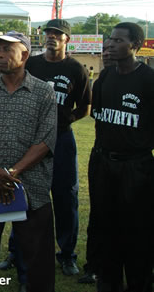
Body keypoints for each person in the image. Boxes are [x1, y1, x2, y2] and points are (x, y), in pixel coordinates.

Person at [0, 19, 91, 278]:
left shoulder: (76, 69)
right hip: (28, 140)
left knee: (64, 197)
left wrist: (63, 121)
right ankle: (16, 252)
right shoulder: (33, 64)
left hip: (61, 140)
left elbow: (85, 107)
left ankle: (67, 255)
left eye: (57, 34)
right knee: (22, 194)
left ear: (66, 40)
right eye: (48, 32)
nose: (51, 37)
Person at [0, 31, 57, 292]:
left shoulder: (43, 93)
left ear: (25, 55)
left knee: (37, 256)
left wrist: (12, 173)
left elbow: (46, 140)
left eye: (7, 49)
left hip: (32, 187)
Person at [89, 22, 153, 292]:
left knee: (137, 229)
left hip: (136, 166)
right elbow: (98, 116)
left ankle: (139, 282)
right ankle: (108, 280)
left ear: (135, 46)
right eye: (110, 40)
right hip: (103, 162)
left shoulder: (149, 80)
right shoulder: (105, 77)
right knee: (105, 224)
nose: (111, 45)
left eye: (118, 41)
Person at [78, 38, 115, 285]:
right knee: (99, 215)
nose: (108, 53)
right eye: (105, 49)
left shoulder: (144, 79)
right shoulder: (101, 82)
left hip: (133, 162)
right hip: (101, 157)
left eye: (114, 47)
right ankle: (94, 265)